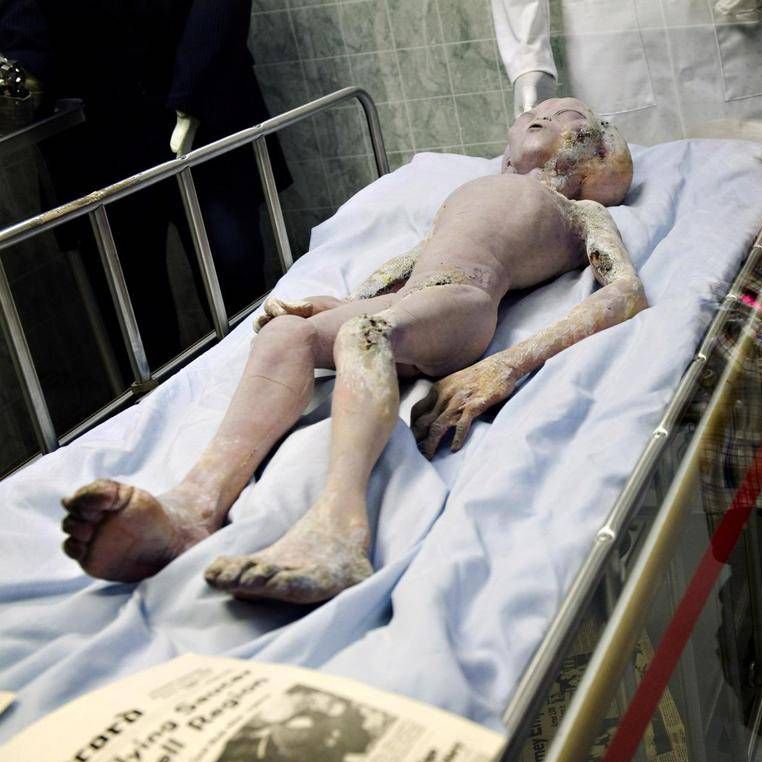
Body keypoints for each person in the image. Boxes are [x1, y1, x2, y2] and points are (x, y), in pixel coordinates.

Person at [59, 97, 645, 606]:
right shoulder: (472, 190)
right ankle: (193, 507)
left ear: (596, 159)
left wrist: (505, 366)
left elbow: (624, 292)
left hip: (464, 302)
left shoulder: (579, 211)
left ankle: (339, 529)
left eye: (567, 116)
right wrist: (343, 302)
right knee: (284, 335)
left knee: (361, 335)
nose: (541, 116)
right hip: (408, 299)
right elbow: (415, 261)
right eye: (535, 113)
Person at [0, 0, 288, 364]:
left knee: (240, 290)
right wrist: (19, 80)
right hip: (98, 138)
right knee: (137, 326)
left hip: (201, 116)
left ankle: (269, 376)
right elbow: (23, 36)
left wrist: (192, 89)